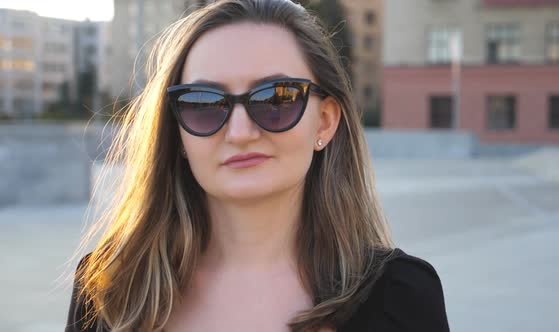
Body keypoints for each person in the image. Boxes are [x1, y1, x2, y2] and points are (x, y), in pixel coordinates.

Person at [65, 0, 450, 331]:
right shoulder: (108, 285)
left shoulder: (401, 296)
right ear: (178, 133)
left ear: (326, 121)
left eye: (276, 99)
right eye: (203, 103)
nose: (240, 131)